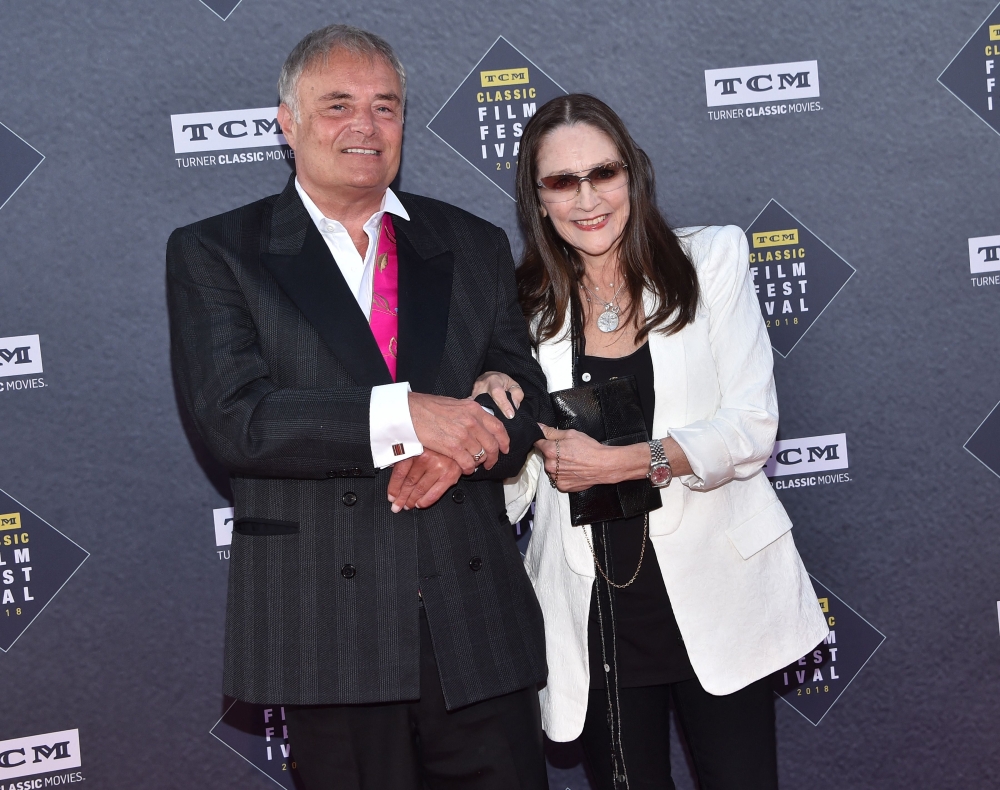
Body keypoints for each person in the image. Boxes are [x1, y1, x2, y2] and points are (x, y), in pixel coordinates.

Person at [167, 25, 553, 790]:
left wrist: (460, 449)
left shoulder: (470, 242)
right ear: (288, 122)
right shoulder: (218, 252)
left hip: (474, 620)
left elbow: (521, 391)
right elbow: (234, 420)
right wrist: (410, 416)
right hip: (329, 629)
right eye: (338, 104)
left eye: (386, 107)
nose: (365, 126)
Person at [478, 94, 829, 790]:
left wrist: (626, 461)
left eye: (603, 172)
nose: (587, 199)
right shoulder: (517, 309)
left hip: (719, 593)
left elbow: (750, 427)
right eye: (561, 181)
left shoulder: (711, 259)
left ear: (633, 175)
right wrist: (496, 419)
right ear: (536, 198)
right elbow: (515, 494)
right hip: (595, 610)